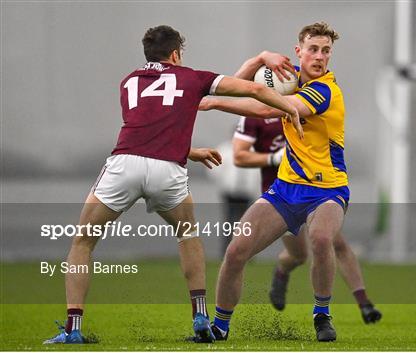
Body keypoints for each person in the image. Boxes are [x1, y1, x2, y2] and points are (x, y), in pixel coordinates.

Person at [44, 25, 301, 345]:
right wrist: (289, 104)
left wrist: (188, 150)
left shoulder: (128, 82)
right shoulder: (192, 77)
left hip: (125, 166)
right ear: (177, 53)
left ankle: (73, 328)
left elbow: (145, 132)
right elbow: (254, 90)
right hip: (168, 171)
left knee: (82, 242)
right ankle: (200, 315)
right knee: (188, 235)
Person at [199, 22, 352, 342]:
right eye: (313, 49)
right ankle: (220, 327)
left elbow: (271, 106)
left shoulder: (326, 90)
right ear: (299, 51)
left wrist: (217, 102)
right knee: (237, 250)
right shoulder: (289, 77)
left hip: (327, 188)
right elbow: (232, 86)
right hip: (285, 188)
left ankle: (322, 315)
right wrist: (258, 60)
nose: (320, 56)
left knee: (322, 239)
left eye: (326, 51)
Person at [232, 115, 382, 324]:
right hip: (280, 198)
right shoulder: (255, 114)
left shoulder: (306, 105)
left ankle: (364, 302)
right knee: (299, 255)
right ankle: (282, 270)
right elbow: (239, 156)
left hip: (315, 194)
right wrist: (273, 158)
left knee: (332, 242)